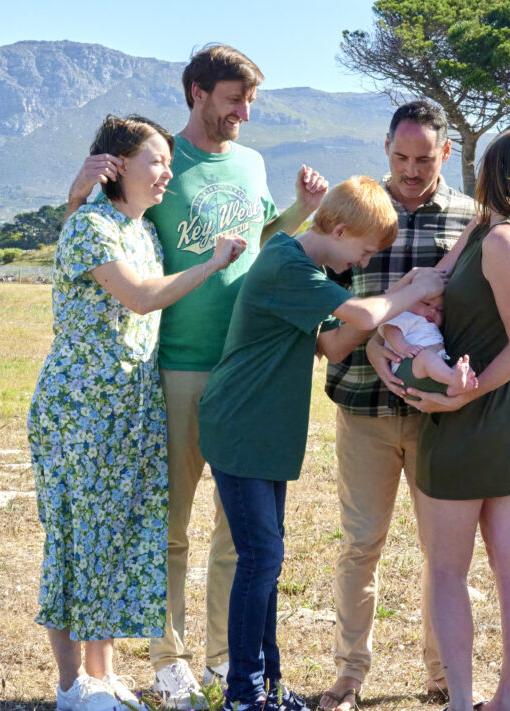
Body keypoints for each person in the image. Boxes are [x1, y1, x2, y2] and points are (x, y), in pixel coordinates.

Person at [65, 45, 328, 708]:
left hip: (246, 370)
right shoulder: (154, 161)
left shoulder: (252, 163)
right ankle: (168, 661)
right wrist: (75, 192)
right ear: (197, 92)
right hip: (176, 364)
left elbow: (259, 239)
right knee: (170, 525)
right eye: (234, 99)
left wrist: (299, 209)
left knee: (239, 530)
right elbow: (94, 232)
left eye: (250, 101)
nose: (244, 113)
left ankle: (224, 658)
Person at [197, 176, 444, 711]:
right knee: (260, 559)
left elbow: (334, 344)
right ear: (338, 230)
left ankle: (267, 686)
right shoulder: (288, 265)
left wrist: (397, 303)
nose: (363, 263)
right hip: (241, 426)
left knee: (266, 559)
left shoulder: (302, 267)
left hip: (265, 432)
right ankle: (244, 693)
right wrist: (412, 290)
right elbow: (363, 316)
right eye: (364, 252)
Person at [30, 115, 246, 711]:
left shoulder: (142, 230)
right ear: (117, 164)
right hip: (81, 409)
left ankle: (97, 677)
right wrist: (211, 264)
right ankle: (74, 685)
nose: (167, 174)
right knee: (77, 539)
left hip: (128, 406)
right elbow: (141, 297)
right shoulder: (91, 226)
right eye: (157, 161)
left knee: (110, 538)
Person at [363, 126, 510, 711]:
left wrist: (460, 398)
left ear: (490, 173)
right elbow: (435, 283)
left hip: (477, 409)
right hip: (507, 409)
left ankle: (474, 700)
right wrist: (382, 336)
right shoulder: (488, 230)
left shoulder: (501, 241)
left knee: (452, 569)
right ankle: (504, 700)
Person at [316, 100, 474, 711]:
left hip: (439, 414)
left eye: (424, 160)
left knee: (444, 551)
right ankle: (349, 677)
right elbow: (320, 303)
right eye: (401, 157)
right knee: (361, 544)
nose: (411, 170)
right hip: (362, 404)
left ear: (446, 154)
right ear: (385, 148)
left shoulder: (468, 219)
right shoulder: (354, 210)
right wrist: (378, 335)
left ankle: (443, 674)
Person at [378, 295, 478, 395]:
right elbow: (390, 332)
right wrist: (405, 347)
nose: (433, 311)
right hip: (407, 368)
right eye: (426, 304)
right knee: (426, 356)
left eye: (440, 310)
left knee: (462, 365)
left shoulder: (434, 327)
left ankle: (454, 387)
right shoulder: (405, 316)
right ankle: (453, 379)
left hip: (431, 374)